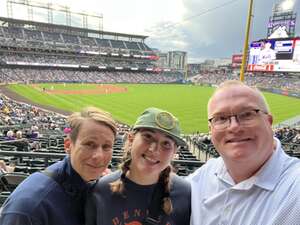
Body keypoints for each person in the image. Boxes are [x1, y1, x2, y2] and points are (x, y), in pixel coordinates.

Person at [187, 80, 300, 225]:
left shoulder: (295, 187)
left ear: (269, 122)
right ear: (211, 130)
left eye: (247, 114)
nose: (234, 127)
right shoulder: (203, 175)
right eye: (221, 118)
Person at [0, 106, 117, 225]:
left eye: (106, 147)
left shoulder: (97, 185)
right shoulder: (31, 206)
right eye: (89, 144)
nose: (99, 156)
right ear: (68, 146)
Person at [85, 107, 191, 225]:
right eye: (148, 137)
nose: (154, 149)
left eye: (166, 143)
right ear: (131, 139)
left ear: (174, 152)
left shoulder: (186, 194)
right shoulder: (100, 191)